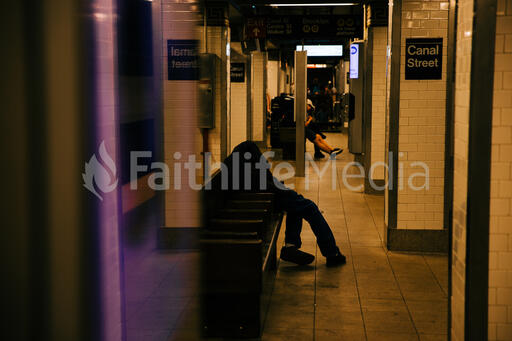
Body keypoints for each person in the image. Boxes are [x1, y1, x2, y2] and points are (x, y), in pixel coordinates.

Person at [225, 141, 347, 267]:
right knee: (309, 207)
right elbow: (265, 181)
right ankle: (332, 253)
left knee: (296, 205)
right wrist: (284, 190)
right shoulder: (247, 167)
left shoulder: (236, 162)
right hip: (262, 201)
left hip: (257, 200)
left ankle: (291, 246)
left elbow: (264, 177)